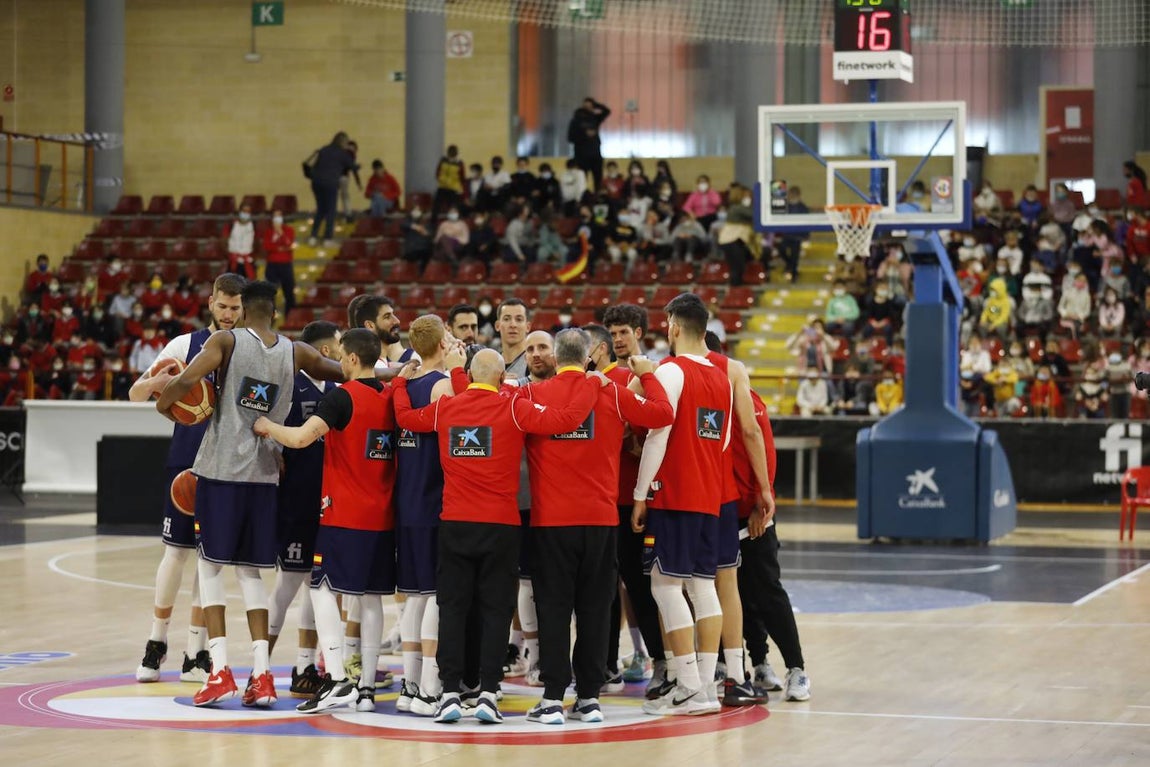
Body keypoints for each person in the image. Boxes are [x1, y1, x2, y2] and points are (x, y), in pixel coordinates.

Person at [154, 280, 348, 708]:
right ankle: (261, 675)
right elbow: (343, 372)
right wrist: (393, 372)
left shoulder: (225, 339)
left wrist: (166, 404)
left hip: (221, 473)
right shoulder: (295, 351)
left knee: (209, 569)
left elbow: (188, 377)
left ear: (243, 313)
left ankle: (220, 669)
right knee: (251, 575)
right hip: (264, 477)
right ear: (275, 313)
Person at [392, 348, 599, 725]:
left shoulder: (446, 408)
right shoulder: (514, 407)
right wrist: (586, 381)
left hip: (454, 524)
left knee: (452, 610)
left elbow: (404, 416)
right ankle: (488, 693)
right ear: (503, 378)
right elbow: (566, 419)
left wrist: (401, 384)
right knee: (496, 611)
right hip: (502, 526)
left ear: (470, 375)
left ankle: (450, 692)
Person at [518, 329, 673, 725]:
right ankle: (588, 698)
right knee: (594, 610)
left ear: (554, 357)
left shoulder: (534, 396)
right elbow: (662, 413)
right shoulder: (611, 392)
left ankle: (552, 697)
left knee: (552, 608)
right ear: (588, 356)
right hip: (601, 522)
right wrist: (646, 371)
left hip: (551, 523)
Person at [254, 328, 396, 713]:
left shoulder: (340, 397)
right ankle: (366, 688)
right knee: (369, 599)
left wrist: (267, 427)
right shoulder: (389, 397)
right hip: (382, 515)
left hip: (344, 513)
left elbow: (301, 438)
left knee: (321, 590)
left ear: (350, 359)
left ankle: (336, 678)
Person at [128, 273, 246, 686]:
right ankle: (155, 642)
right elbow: (136, 393)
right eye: (223, 306)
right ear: (210, 302)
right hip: (186, 462)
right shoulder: (185, 346)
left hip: (230, 465)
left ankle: (195, 652)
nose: (229, 314)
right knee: (175, 553)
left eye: (235, 308)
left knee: (210, 561)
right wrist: (166, 382)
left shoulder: (250, 350)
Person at [632, 292, 733, 716]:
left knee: (665, 586)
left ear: (673, 325)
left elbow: (657, 435)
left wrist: (640, 495)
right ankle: (706, 688)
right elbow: (724, 441)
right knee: (703, 587)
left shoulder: (671, 372)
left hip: (675, 492)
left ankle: (688, 685)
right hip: (711, 496)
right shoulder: (722, 377)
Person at [264, 321, 340, 701]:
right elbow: (261, 429)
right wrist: (274, 456)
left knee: (318, 584)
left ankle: (305, 666)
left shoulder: (342, 390)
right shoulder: (289, 387)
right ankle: (261, 666)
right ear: (324, 352)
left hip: (330, 501)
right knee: (288, 585)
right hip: (295, 499)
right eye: (338, 345)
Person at [726, 364, 810, 702]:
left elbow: (764, 455)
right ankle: (758, 662)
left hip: (753, 515)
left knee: (767, 592)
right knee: (739, 594)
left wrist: (761, 503)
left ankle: (797, 668)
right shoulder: (714, 399)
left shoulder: (747, 401)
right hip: (724, 513)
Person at [391, 315, 460, 716]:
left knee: (414, 596)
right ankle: (431, 687)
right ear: (440, 344)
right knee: (436, 593)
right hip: (437, 499)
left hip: (407, 500)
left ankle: (410, 685)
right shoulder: (443, 385)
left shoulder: (405, 386)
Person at [600, 306, 669, 695]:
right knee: (606, 587)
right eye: (613, 332)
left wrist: (633, 435)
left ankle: (662, 659)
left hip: (638, 501)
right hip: (605, 498)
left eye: (624, 331)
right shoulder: (605, 381)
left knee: (644, 587)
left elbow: (662, 429)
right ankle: (607, 663)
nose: (619, 338)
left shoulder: (649, 376)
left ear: (639, 332)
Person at [304, 132, 358, 246]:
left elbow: (316, 164)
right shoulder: (342, 153)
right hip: (330, 184)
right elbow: (352, 165)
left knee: (320, 210)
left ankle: (313, 237)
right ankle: (327, 238)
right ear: (343, 142)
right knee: (331, 211)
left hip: (316, 183)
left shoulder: (324, 149)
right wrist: (352, 153)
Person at [568, 97, 610, 191]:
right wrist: (585, 135)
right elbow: (570, 138)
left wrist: (596, 105)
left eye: (591, 106)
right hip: (581, 156)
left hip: (595, 155)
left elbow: (607, 111)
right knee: (582, 180)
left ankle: (597, 199)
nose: (589, 108)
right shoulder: (576, 121)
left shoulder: (594, 118)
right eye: (586, 106)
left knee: (598, 180)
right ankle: (583, 200)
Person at [262, 208, 297, 315]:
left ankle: (290, 316)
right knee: (270, 293)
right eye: (275, 216)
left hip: (286, 264)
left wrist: (281, 233)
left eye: (279, 216)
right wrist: (280, 248)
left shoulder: (289, 230)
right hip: (272, 264)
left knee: (289, 292)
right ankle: (271, 317)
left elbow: (289, 244)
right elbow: (267, 246)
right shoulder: (268, 232)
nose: (277, 218)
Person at [778, 187, 810, 283]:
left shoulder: (803, 208)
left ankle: (794, 274)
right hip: (787, 235)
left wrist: (806, 235)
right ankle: (789, 265)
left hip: (797, 236)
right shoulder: (785, 207)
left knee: (795, 255)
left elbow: (807, 222)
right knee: (781, 249)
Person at [495, 298, 531, 378]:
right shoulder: (491, 364)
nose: (513, 325)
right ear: (497, 326)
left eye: (519, 319)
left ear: (528, 327)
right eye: (507, 319)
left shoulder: (535, 362)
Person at [434, 145, 465, 219]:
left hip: (454, 188)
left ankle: (455, 220)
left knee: (453, 206)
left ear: (456, 153)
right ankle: (433, 222)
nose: (451, 153)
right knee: (436, 206)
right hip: (442, 187)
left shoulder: (459, 163)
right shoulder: (443, 160)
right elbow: (438, 172)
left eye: (453, 152)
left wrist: (460, 187)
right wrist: (441, 179)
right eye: (450, 152)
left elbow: (462, 176)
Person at [226, 204, 256, 280]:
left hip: (248, 261)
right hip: (234, 261)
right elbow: (224, 241)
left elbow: (257, 243)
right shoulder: (232, 225)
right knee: (232, 287)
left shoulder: (253, 226)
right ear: (240, 212)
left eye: (248, 212)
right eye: (244, 211)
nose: (246, 213)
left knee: (249, 287)